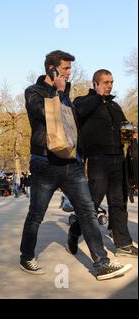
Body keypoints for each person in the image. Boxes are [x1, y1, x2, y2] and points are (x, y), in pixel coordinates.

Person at [19, 50, 132, 280]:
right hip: (44, 162)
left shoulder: (66, 94)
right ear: (52, 68)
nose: (70, 73)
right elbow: (48, 115)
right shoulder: (34, 91)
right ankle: (26, 255)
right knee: (36, 215)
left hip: (72, 164)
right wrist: (57, 92)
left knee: (88, 212)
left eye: (71, 68)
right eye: (66, 68)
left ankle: (101, 263)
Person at [69, 69, 137, 258]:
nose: (110, 85)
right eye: (106, 82)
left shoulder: (115, 106)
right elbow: (78, 114)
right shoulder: (83, 102)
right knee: (92, 204)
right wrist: (97, 98)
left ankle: (123, 244)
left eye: (111, 82)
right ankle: (75, 230)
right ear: (96, 84)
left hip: (118, 158)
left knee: (118, 203)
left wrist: (131, 133)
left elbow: (124, 125)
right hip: (98, 159)